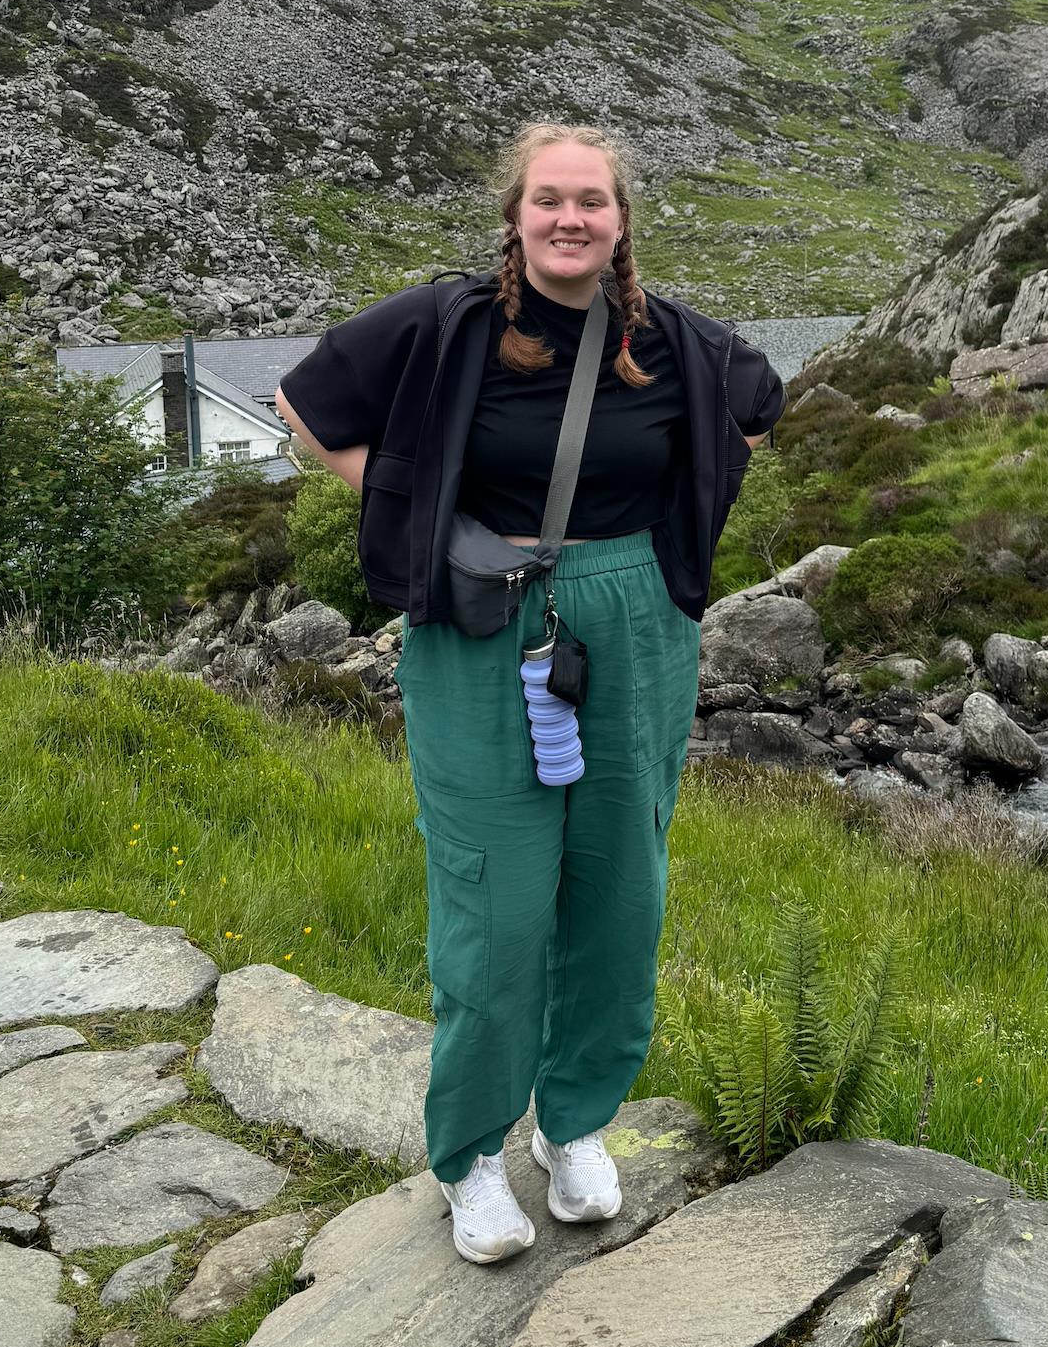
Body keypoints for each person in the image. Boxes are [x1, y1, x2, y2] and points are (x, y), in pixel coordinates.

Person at [275, 121, 784, 1263]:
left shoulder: (673, 339)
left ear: (620, 220)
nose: (570, 218)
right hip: (481, 617)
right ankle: (468, 1155)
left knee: (619, 889)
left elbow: (758, 409)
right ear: (515, 215)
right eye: (549, 198)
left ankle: (574, 1121)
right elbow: (303, 407)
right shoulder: (445, 323)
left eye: (591, 201)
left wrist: (674, 522)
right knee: (496, 901)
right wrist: (413, 505)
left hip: (635, 622)